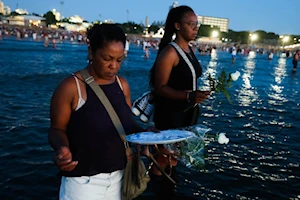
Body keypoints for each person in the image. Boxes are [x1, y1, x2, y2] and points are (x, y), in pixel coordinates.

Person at [48, 24, 150, 200]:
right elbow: (57, 129)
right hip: (83, 184)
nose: (113, 66)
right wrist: (62, 149)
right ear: (91, 52)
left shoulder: (122, 85)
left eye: (119, 60)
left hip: (120, 178)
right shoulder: (72, 87)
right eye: (107, 58)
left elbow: (126, 124)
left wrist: (148, 135)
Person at [148, 5, 210, 199]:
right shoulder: (170, 53)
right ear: (177, 26)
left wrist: (196, 96)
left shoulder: (189, 49)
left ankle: (168, 189)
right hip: (170, 113)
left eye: (196, 24)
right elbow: (160, 88)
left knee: (174, 156)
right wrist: (189, 96)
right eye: (190, 24)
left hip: (185, 112)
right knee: (165, 155)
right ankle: (156, 190)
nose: (195, 28)